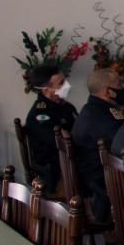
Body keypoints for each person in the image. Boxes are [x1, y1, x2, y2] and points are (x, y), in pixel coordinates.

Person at [72, 68, 124, 221]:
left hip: (101, 175)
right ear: (107, 91)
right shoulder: (98, 116)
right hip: (102, 184)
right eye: (119, 84)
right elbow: (122, 145)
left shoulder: (97, 109)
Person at [23, 64, 77, 193]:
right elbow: (62, 143)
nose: (66, 85)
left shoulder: (66, 107)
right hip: (57, 173)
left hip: (71, 163)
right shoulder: (40, 115)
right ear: (47, 90)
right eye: (61, 83)